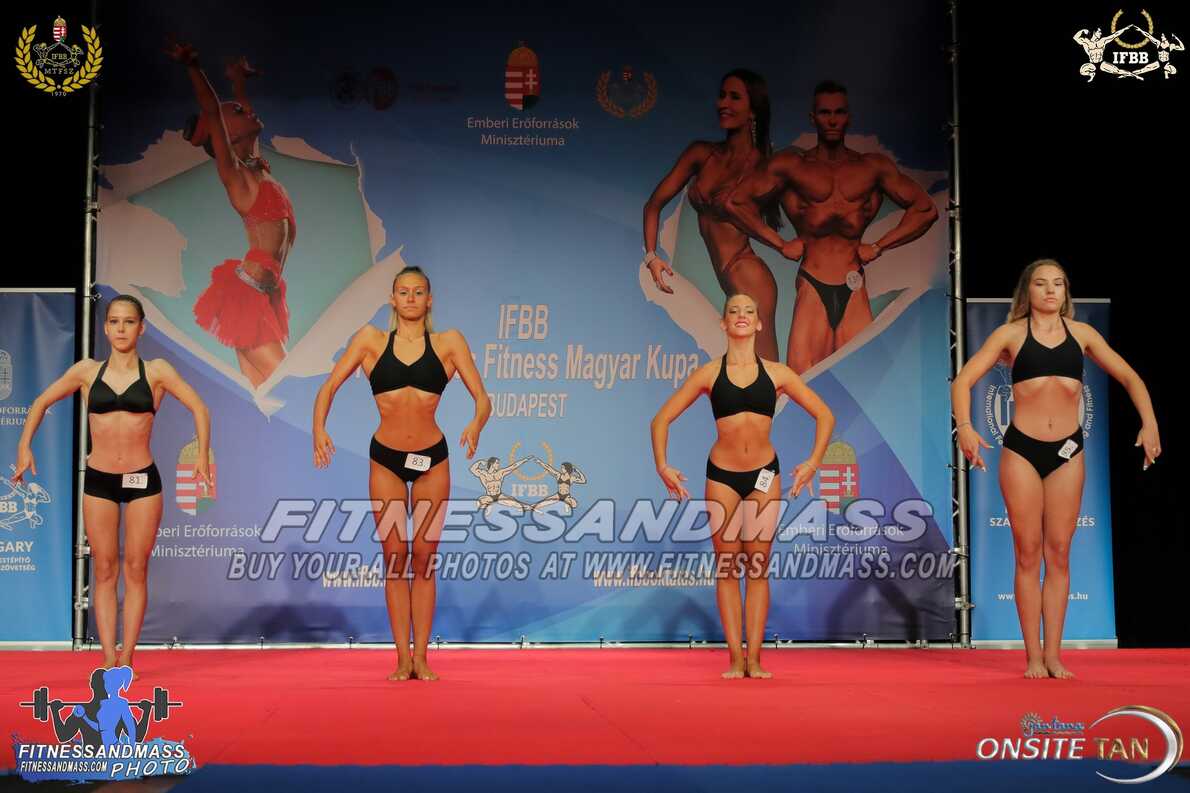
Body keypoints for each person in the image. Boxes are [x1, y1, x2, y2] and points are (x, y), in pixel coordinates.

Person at [952, 259, 1160, 678]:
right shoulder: (1010, 334)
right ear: (1026, 291)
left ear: (1066, 292)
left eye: (1058, 284)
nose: (1050, 290)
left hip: (1068, 451)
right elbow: (962, 381)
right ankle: (1032, 656)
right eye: (1041, 283)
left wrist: (1150, 422)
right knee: (1027, 552)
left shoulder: (1082, 335)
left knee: (1059, 552)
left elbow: (1130, 377)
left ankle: (1054, 655)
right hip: (1022, 450)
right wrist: (967, 428)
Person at [14, 295, 212, 672]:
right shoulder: (87, 372)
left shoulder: (156, 371)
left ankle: (127, 657)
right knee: (104, 569)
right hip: (100, 480)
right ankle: (108, 657)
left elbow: (199, 407)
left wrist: (202, 455)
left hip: (142, 480)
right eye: (115, 322)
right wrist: (24, 447)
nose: (121, 329)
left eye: (129, 322)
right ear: (105, 328)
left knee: (136, 568)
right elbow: (40, 402)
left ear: (142, 327)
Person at [313, 267, 491, 681]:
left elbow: (482, 398)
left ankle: (422, 658)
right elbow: (328, 387)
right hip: (387, 460)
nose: (411, 298)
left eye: (419, 292)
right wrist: (319, 428)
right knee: (395, 559)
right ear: (392, 299)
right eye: (404, 292)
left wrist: (476, 423)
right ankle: (401, 659)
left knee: (424, 559)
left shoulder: (449, 343)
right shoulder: (370, 341)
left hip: (432, 459)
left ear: (430, 300)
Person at [651, 292, 834, 678]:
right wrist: (662, 465)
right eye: (733, 311)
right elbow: (661, 419)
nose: (741, 315)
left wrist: (813, 462)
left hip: (764, 474)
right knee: (727, 567)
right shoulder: (708, 374)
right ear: (723, 323)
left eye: (749, 311)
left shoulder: (779, 374)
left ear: (759, 323)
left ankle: (756, 660)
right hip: (722, 476)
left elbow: (824, 415)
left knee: (758, 567)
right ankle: (736, 659)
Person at [727, 80, 938, 373]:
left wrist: (879, 246)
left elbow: (925, 209)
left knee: (860, 379)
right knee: (803, 381)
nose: (832, 120)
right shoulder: (793, 166)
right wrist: (780, 244)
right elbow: (736, 203)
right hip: (813, 283)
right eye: (825, 113)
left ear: (848, 117)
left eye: (839, 112)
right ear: (813, 118)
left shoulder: (871, 168)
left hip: (854, 284)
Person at [167, 41, 296, 388]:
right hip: (247, 297)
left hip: (262, 296)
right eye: (239, 112)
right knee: (286, 388)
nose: (248, 112)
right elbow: (213, 112)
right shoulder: (238, 177)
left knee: (265, 397)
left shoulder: (256, 164)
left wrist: (238, 81)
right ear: (228, 132)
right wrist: (193, 67)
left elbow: (239, 118)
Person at [643, 69, 783, 360]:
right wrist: (652, 257)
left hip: (750, 276)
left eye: (734, 97)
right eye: (721, 96)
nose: (723, 103)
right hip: (730, 281)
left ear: (753, 110)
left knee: (764, 372)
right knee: (744, 373)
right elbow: (653, 204)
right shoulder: (701, 153)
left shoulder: (762, 165)